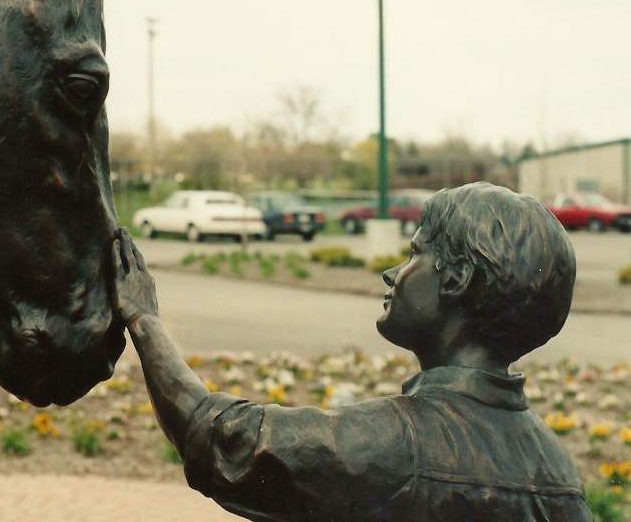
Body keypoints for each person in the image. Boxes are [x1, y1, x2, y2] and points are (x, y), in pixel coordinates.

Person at [111, 182, 592, 521]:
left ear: (457, 278)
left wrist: (144, 318)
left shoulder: (396, 445)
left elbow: (220, 441)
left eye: (414, 254)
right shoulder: (558, 469)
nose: (393, 274)